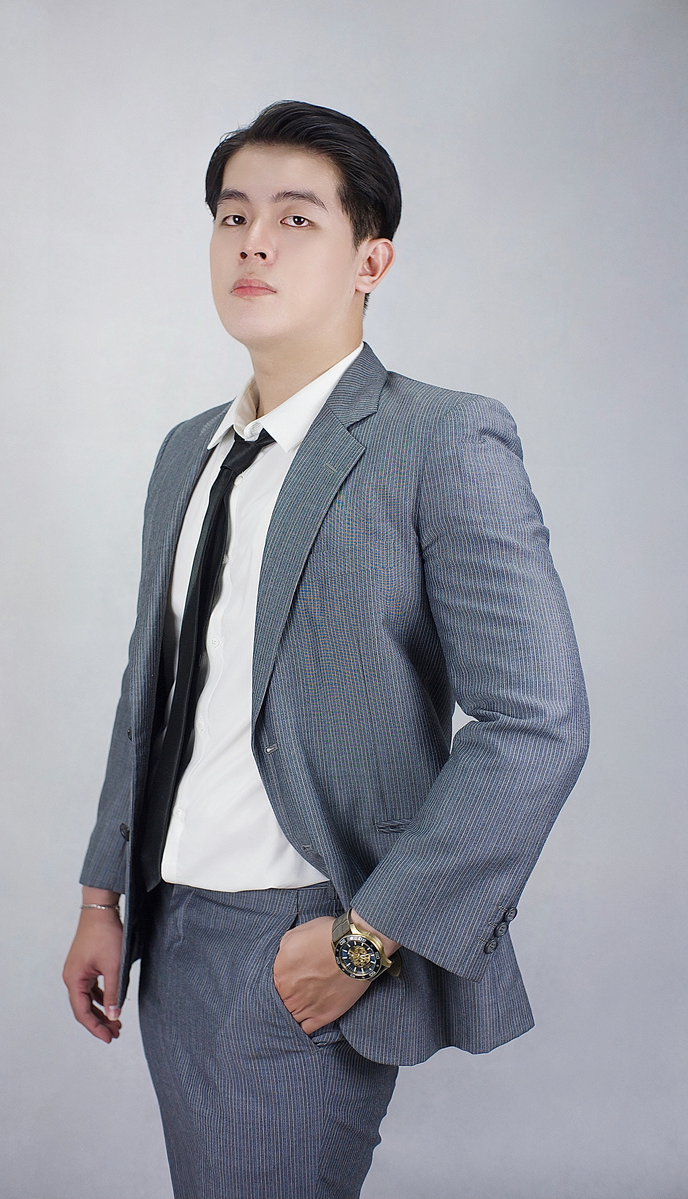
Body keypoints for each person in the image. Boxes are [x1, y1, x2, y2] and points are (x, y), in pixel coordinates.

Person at [63, 100, 589, 1199]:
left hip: (308, 935)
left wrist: (363, 941)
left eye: (296, 219)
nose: (252, 242)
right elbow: (150, 693)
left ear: (371, 261)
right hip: (172, 928)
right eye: (233, 216)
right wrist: (103, 899)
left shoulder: (437, 439)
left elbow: (536, 725)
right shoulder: (187, 452)